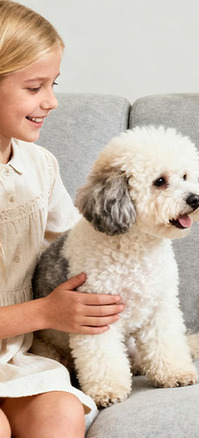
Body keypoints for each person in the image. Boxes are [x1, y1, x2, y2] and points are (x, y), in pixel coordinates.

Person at [0, 2, 125, 436]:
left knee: (60, 413)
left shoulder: (39, 165)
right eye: (34, 87)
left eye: (53, 84)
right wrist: (47, 312)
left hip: (13, 355)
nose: (51, 101)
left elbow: (79, 242)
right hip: (23, 326)